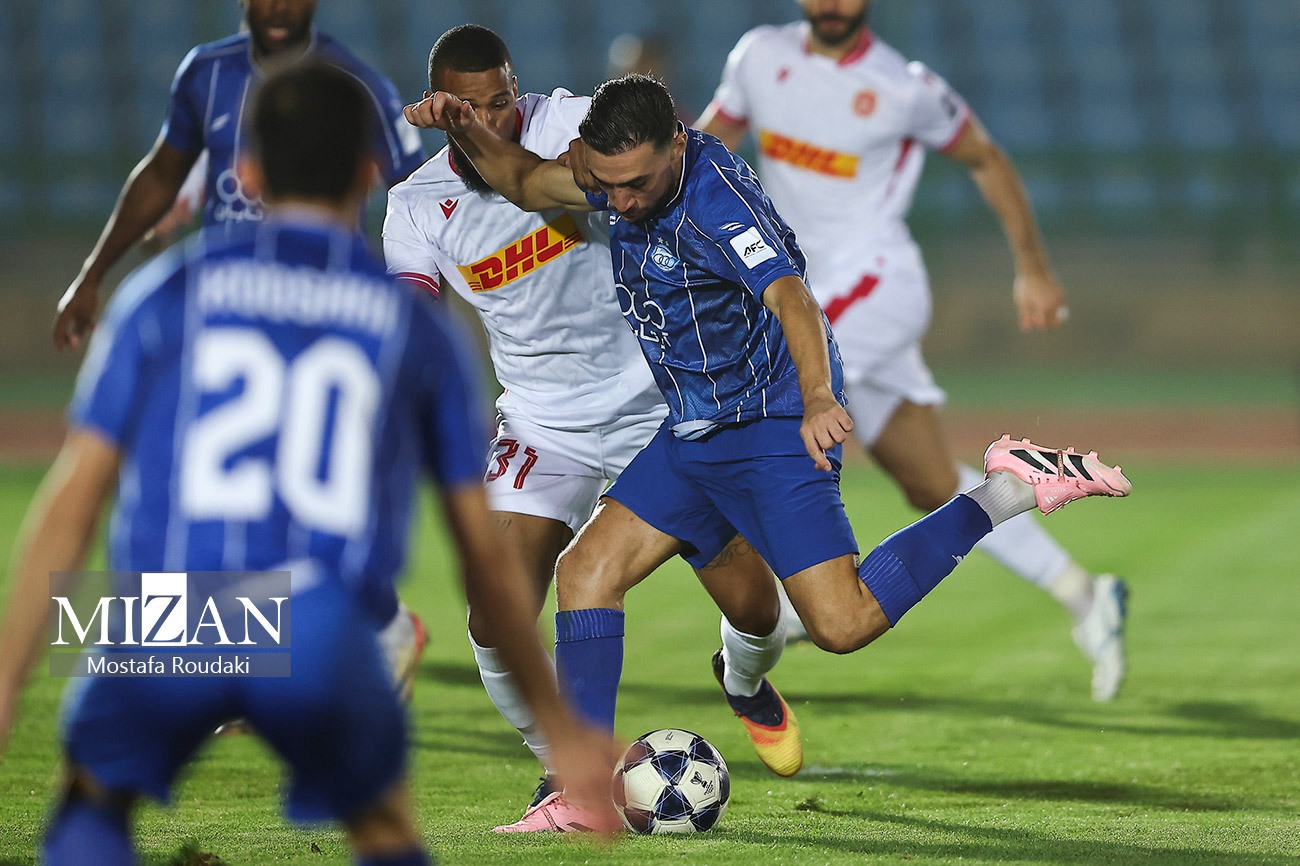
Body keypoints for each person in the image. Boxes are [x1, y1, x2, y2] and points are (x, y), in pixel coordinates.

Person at [403, 73, 1132, 830]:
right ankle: (583, 794)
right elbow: (524, 180)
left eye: (637, 184)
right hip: (694, 426)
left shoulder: (717, 203)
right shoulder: (616, 169)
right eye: (608, 185)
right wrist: (463, 126)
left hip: (769, 424)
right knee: (585, 574)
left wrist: (817, 398)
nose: (620, 202)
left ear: (676, 145)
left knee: (842, 623)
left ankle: (1006, 489)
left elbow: (791, 297)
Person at [0, 64, 619, 864]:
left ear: (247, 175)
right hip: (323, 622)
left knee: (90, 807)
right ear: (368, 173)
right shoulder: (411, 328)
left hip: (172, 613)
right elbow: (483, 556)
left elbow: (72, 503)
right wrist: (561, 729)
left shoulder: (162, 296)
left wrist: (8, 683)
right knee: (383, 829)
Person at [383, 25, 802, 830]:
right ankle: (564, 769)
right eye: (468, 108)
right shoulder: (415, 205)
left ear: (518, 90)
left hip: (661, 404)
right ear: (437, 106)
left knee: (755, 606)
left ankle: (744, 677)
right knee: (493, 611)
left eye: (500, 101)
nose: (489, 118)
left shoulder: (571, 127)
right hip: (545, 421)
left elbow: (622, 171)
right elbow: (412, 318)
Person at [695, 0, 1130, 701]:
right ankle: (1085, 593)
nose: (831, 5)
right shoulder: (758, 57)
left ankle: (793, 599)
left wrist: (1032, 265)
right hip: (810, 287)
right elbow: (703, 148)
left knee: (782, 406)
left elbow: (985, 157)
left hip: (874, 285)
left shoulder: (904, 86)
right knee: (930, 483)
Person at [52, 0, 429, 695]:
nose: (278, 6)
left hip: (319, 323)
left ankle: (371, 623)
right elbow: (163, 172)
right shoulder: (206, 73)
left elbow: (424, 195)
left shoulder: (357, 84)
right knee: (219, 486)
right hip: (225, 315)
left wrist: (413, 299)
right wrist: (93, 272)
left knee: (293, 495)